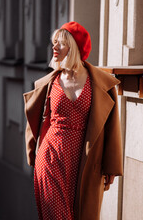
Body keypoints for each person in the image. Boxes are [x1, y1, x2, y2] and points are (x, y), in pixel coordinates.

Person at [23, 21, 123, 220]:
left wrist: (111, 165)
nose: (54, 47)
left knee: (83, 214)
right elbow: (38, 119)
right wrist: (33, 150)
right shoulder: (51, 82)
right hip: (50, 157)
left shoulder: (101, 83)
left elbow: (112, 128)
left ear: (74, 47)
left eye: (60, 43)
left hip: (86, 160)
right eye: (53, 43)